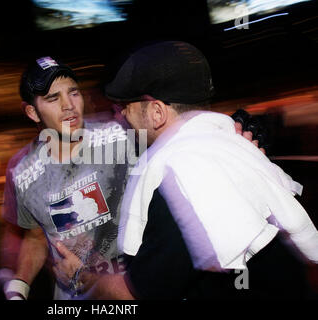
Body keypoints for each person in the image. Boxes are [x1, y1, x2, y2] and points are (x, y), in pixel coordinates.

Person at [0, 54, 268, 300]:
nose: (68, 106)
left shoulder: (121, 135)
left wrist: (234, 130)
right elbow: (36, 236)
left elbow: (180, 132)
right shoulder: (22, 171)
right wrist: (20, 284)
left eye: (73, 92)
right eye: (53, 98)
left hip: (133, 286)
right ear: (31, 111)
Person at [55, 41, 318, 299]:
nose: (120, 117)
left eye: (126, 108)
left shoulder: (182, 178)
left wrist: (85, 278)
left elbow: (137, 294)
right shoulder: (230, 148)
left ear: (157, 113)